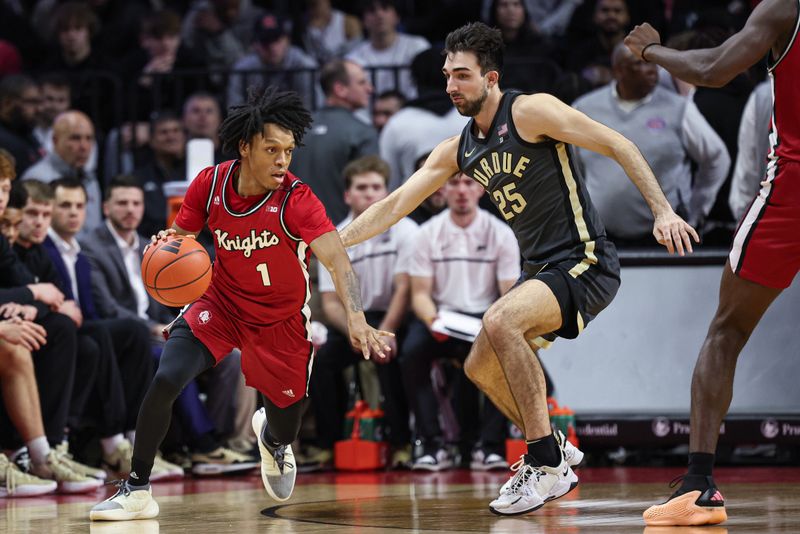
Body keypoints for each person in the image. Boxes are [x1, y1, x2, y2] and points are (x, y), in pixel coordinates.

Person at [340, 22, 697, 516]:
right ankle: (555, 448)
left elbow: (618, 143)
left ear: (491, 78)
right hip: (540, 271)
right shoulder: (458, 147)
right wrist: (332, 243)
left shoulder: (530, 111)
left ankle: (545, 463)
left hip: (584, 260)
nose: (450, 86)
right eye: (446, 75)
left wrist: (662, 210)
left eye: (461, 76)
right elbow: (396, 203)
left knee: (500, 319)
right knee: (479, 366)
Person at [89, 88, 392, 521]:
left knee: (286, 422)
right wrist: (167, 243)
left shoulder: (297, 199)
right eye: (272, 149)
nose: (283, 160)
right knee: (167, 377)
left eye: (288, 150)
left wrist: (357, 319)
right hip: (222, 305)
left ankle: (271, 438)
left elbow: (338, 262)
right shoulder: (209, 184)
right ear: (246, 146)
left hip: (280, 322)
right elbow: (182, 238)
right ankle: (137, 488)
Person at [625, 0, 800, 526]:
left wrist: (650, 49)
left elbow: (711, 70)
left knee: (726, 331)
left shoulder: (784, 8)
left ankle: (700, 486)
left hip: (792, 191)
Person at [308, 155, 415, 471]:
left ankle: (402, 443)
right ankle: (329, 445)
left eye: (377, 187)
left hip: (394, 316)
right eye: (362, 188)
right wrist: (358, 331)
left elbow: (404, 289)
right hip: (353, 320)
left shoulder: (404, 229)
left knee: (394, 356)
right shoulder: (334, 238)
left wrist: (382, 332)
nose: (370, 194)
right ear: (347, 195)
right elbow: (329, 303)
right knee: (323, 363)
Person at [573, 43, 729, 243]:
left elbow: (717, 157)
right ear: (619, 70)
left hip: (663, 235)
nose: (652, 71)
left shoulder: (679, 108)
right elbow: (571, 167)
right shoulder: (585, 107)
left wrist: (697, 208)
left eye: (653, 64)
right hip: (599, 234)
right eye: (640, 64)